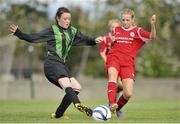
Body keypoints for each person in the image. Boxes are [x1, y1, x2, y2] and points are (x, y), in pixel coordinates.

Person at [9, 7, 103, 119]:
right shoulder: (52, 30)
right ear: (58, 19)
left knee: (77, 87)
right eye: (65, 18)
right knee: (67, 84)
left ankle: (58, 114)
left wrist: (94, 40)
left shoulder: (72, 31)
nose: (67, 21)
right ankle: (78, 104)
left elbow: (84, 38)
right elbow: (34, 37)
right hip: (52, 63)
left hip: (62, 65)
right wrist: (20, 34)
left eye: (69, 18)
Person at [106, 8, 156, 115]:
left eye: (127, 20)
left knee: (128, 93)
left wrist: (152, 24)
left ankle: (116, 109)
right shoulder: (116, 30)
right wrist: (112, 41)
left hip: (128, 63)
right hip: (114, 58)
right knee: (112, 77)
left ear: (133, 20)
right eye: (123, 20)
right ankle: (111, 103)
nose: (125, 22)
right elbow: (111, 44)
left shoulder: (138, 31)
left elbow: (152, 36)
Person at [99, 19, 124, 117]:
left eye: (116, 27)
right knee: (117, 83)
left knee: (121, 86)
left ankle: (113, 104)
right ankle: (114, 105)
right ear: (110, 28)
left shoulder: (121, 38)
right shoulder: (106, 39)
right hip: (111, 64)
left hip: (121, 64)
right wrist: (108, 62)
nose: (115, 29)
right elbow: (102, 52)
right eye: (113, 27)